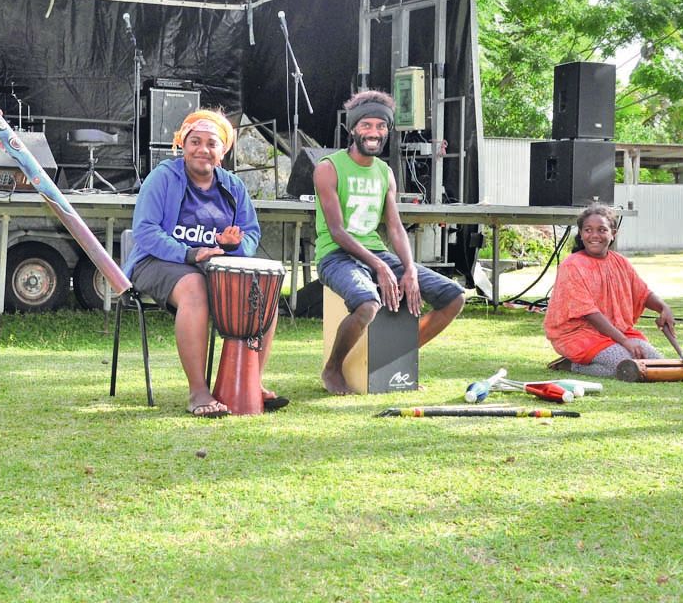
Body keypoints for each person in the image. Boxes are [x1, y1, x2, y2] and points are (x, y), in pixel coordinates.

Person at [123, 110, 287, 417]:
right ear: (181, 146)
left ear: (222, 152)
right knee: (194, 288)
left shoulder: (233, 186)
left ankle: (252, 383)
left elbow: (250, 231)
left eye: (211, 143)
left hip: (213, 265)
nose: (203, 149)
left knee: (263, 292)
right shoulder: (163, 177)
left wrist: (235, 245)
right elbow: (146, 231)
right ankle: (198, 392)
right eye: (194, 141)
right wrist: (189, 253)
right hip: (156, 261)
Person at [315, 90, 465, 394]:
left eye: (380, 126)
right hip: (336, 256)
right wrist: (379, 265)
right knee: (367, 303)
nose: (373, 133)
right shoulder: (328, 168)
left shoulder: (385, 172)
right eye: (366, 126)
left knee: (454, 297)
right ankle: (332, 369)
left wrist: (408, 268)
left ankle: (396, 360)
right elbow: (337, 231)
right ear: (353, 129)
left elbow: (395, 227)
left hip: (376, 253)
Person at [545, 203, 675, 377]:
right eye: (588, 230)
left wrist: (664, 308)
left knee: (654, 364)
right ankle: (570, 365)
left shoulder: (619, 261)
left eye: (602, 230)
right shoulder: (572, 265)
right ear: (581, 234)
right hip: (579, 334)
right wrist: (625, 342)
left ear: (613, 234)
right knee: (628, 367)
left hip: (617, 330)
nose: (594, 235)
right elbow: (589, 313)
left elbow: (642, 293)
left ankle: (597, 358)